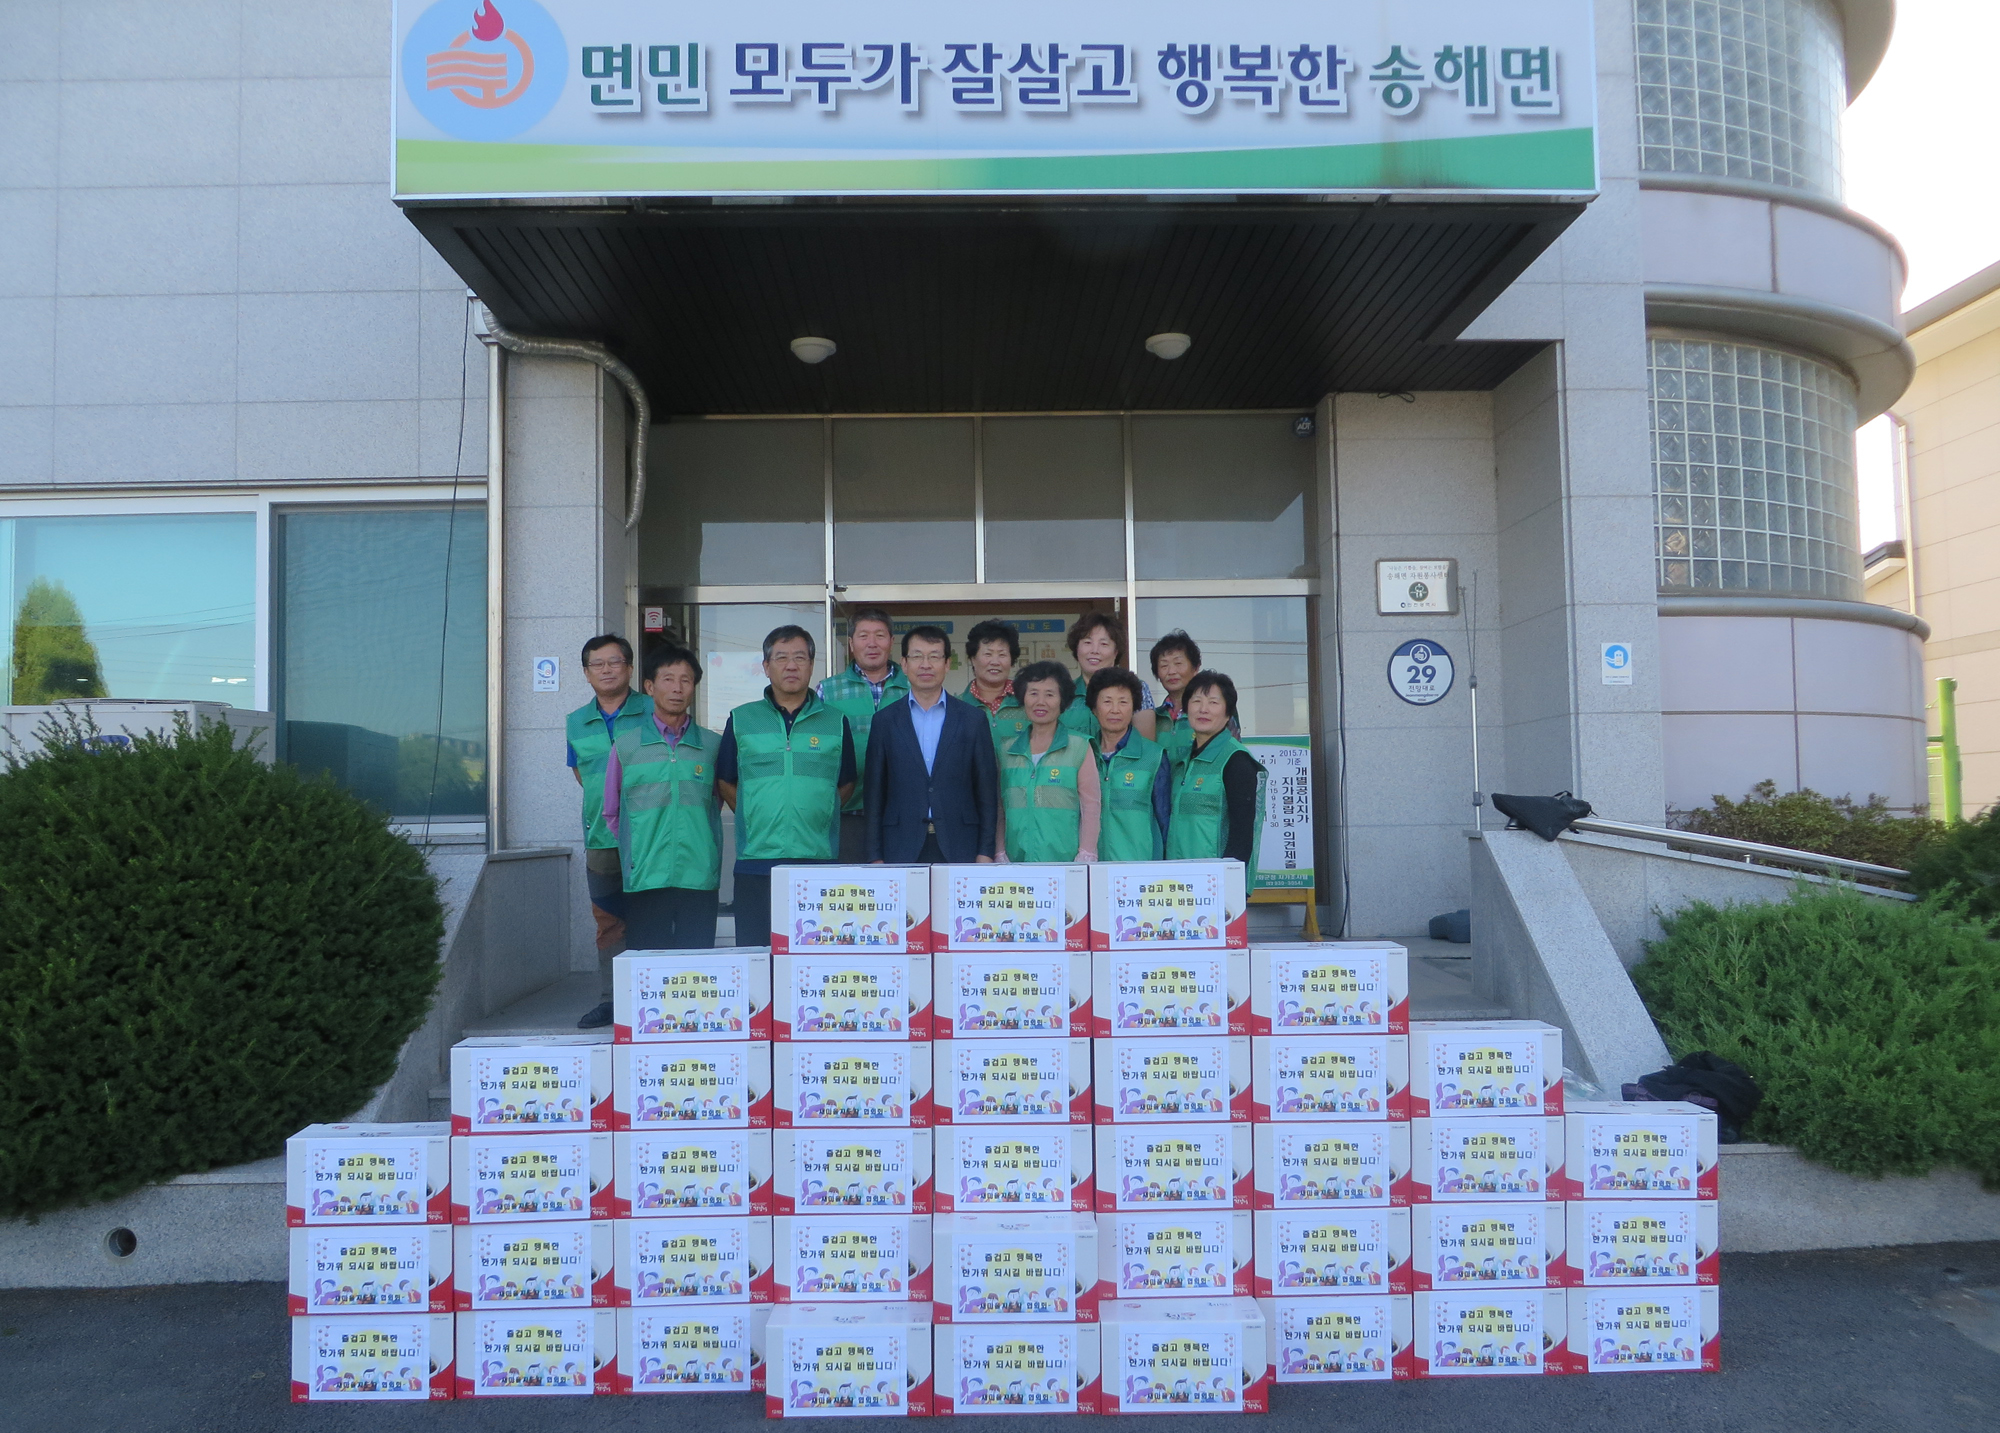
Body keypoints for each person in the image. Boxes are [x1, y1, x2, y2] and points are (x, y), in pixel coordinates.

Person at [717, 626, 857, 947]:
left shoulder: (835, 721)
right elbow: (725, 780)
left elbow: (847, 782)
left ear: (812, 665)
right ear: (766, 667)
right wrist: (752, 813)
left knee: (816, 955)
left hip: (818, 860)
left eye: (800, 658)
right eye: (781, 658)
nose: (791, 666)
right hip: (757, 862)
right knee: (758, 955)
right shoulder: (742, 719)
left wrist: (820, 813)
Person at [601, 644, 722, 957]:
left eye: (686, 680)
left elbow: (715, 804)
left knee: (696, 967)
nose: (677, 688)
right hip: (645, 876)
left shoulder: (712, 745)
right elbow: (612, 812)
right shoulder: (626, 746)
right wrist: (637, 850)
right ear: (649, 687)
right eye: (668, 679)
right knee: (648, 967)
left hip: (698, 874)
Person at [565, 633, 651, 1028]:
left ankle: (652, 996)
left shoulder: (652, 709)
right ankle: (612, 1000)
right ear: (586, 673)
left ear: (629, 668)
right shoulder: (576, 722)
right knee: (609, 920)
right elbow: (583, 775)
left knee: (651, 915)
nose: (606, 670)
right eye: (597, 664)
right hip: (601, 837)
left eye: (614, 662)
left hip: (651, 833)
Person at [863, 625, 999, 864]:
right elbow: (874, 795)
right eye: (917, 656)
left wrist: (985, 852)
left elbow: (987, 792)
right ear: (904, 664)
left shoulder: (973, 720)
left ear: (946, 664)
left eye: (934, 657)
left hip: (961, 844)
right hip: (900, 845)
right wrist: (875, 856)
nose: (925, 665)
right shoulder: (885, 721)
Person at [817, 607, 910, 863]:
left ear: (891, 641)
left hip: (903, 817)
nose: (872, 643)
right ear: (851, 643)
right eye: (863, 636)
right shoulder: (828, 690)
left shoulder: (912, 687)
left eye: (879, 635)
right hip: (847, 814)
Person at [995, 661, 1101, 863]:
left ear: (1062, 700)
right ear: (1023, 697)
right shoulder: (1007, 750)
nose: (1040, 702)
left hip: (1066, 863)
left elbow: (1091, 806)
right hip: (1015, 863)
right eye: (1033, 693)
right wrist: (1000, 852)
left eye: (1050, 694)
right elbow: (1000, 808)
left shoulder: (1079, 746)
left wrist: (1086, 854)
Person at [1165, 671, 1266, 878]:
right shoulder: (1183, 762)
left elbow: (1242, 833)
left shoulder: (1236, 760)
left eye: (1213, 702)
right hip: (1179, 879)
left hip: (1213, 883)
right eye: (1196, 701)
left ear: (1228, 713)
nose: (1203, 709)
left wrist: (1228, 883)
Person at [1086, 667, 1172, 862]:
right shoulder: (1084, 754)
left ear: (1134, 708)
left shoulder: (1154, 757)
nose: (1115, 710)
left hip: (1138, 870)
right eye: (1107, 701)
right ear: (1094, 708)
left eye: (1123, 702)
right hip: (1091, 870)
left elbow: (1165, 821)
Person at [1061, 612, 1155, 744]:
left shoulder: (1137, 688)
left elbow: (1145, 745)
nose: (1094, 650)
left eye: (1104, 644)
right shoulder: (1063, 692)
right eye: (1087, 642)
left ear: (1116, 652)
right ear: (1076, 648)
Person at [959, 618, 1030, 752]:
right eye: (988, 654)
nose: (995, 662)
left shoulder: (1028, 702)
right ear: (973, 659)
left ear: (1012, 660)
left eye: (1002, 655)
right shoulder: (956, 706)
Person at [1148, 629, 1203, 765]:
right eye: (1164, 665)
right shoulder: (1153, 718)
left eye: (1178, 663)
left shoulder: (1210, 713)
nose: (1171, 671)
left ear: (1195, 668)